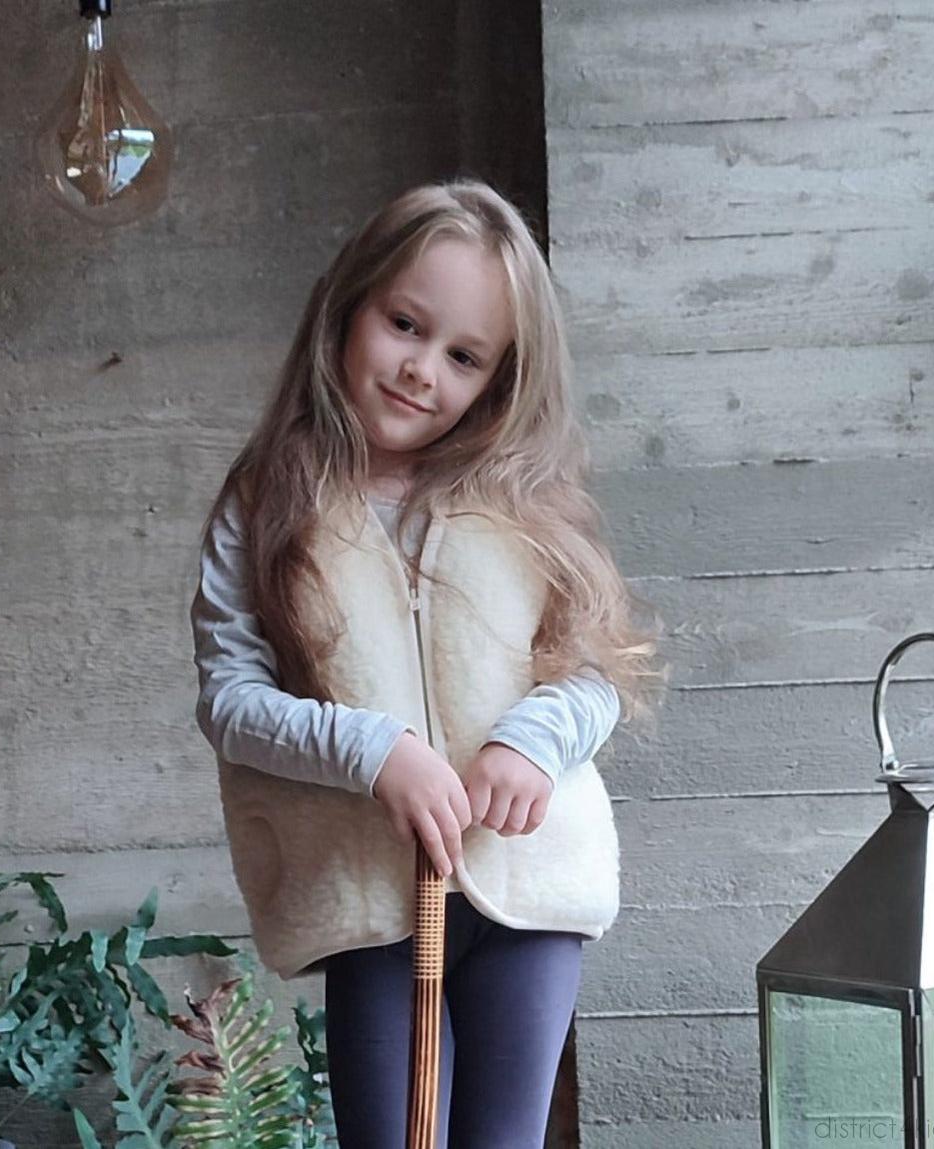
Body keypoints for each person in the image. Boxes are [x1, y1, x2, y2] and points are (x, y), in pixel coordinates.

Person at [189, 178, 663, 1149]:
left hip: (526, 887)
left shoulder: (527, 501)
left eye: (463, 356)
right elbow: (231, 700)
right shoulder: (269, 501)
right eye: (404, 324)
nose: (421, 370)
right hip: (372, 898)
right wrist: (375, 751)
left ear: (500, 378)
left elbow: (595, 672)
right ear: (347, 305)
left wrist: (532, 742)